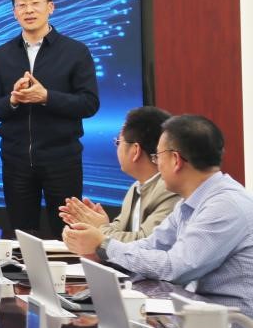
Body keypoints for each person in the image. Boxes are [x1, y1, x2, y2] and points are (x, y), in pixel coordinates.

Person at [62, 114, 253, 315]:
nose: (157, 165)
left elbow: (176, 268)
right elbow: (150, 245)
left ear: (175, 160)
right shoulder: (189, 202)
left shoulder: (225, 206)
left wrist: (104, 246)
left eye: (157, 157)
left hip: (232, 323)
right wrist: (99, 251)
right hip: (198, 312)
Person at [0, 0, 99, 238]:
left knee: (68, 234)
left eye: (35, 3)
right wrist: (12, 100)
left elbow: (89, 103)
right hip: (15, 160)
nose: (29, 10)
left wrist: (46, 97)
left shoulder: (75, 51)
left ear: (50, 7)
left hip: (62, 159)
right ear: (14, 12)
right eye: (21, 5)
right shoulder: (1, 55)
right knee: (21, 234)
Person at [59, 106, 179, 241]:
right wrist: (96, 223)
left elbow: (145, 243)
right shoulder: (136, 187)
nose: (117, 147)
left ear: (135, 150)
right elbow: (120, 230)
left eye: (118, 142)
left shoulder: (171, 190)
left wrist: (100, 228)